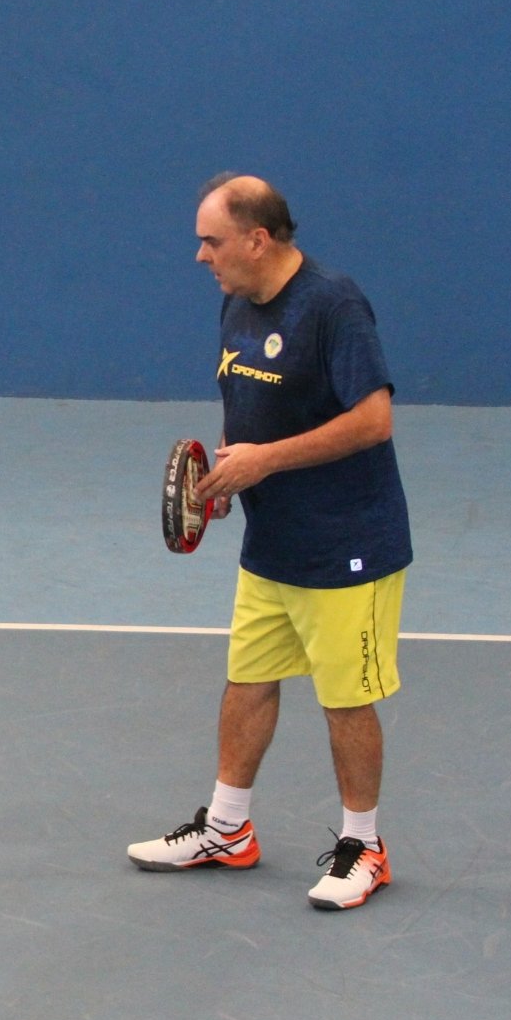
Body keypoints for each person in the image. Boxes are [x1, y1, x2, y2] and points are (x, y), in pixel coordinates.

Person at [127, 175, 412, 910]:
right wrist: (228, 474)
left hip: (348, 546)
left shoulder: (332, 305)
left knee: (345, 698)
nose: (199, 256)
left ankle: (366, 846)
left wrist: (267, 462)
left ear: (258, 238)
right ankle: (227, 830)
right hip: (273, 542)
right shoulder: (236, 304)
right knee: (248, 681)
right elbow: (247, 406)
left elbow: (374, 420)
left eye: (211, 240)